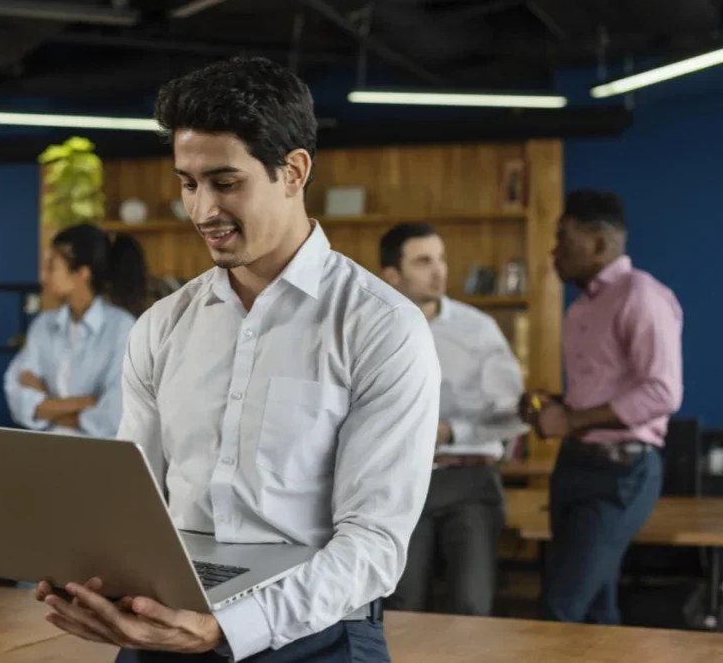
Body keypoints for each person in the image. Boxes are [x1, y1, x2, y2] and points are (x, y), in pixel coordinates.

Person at [32, 56, 440, 662]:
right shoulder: (161, 328)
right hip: (168, 626)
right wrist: (95, 583)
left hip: (317, 635)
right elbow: (131, 504)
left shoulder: (382, 329)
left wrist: (228, 628)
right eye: (187, 183)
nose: (201, 211)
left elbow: (374, 544)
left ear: (294, 170)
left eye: (225, 183)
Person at [520, 189, 683, 624]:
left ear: (598, 242)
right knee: (594, 608)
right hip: (575, 465)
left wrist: (570, 418)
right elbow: (595, 394)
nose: (554, 252)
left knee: (560, 607)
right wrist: (552, 405)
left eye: (563, 240)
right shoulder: (581, 308)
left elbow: (663, 392)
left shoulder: (642, 295)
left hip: (621, 473)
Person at [379, 223, 526, 617]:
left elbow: (515, 414)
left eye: (441, 259)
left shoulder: (478, 329)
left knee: (471, 608)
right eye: (424, 261)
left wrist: (451, 431)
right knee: (402, 607)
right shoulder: (371, 328)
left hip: (468, 479)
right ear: (391, 275)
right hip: (400, 481)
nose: (439, 270)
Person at [4, 224, 145, 437]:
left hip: (101, 456)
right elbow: (15, 391)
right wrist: (84, 402)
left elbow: (114, 414)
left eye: (51, 267)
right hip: (47, 451)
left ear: (82, 273)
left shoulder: (122, 328)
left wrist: (48, 405)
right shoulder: (43, 325)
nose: (42, 276)